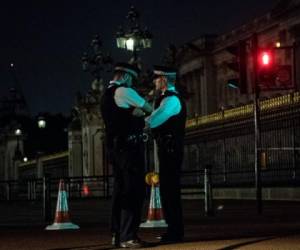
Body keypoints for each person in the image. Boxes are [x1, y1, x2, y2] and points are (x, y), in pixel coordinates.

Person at [100, 62, 152, 248]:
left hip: (115, 148)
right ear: (126, 76)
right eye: (132, 79)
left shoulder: (106, 95)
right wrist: (138, 113)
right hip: (129, 148)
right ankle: (128, 236)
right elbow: (148, 108)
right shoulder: (123, 91)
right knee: (133, 190)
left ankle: (117, 233)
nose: (132, 83)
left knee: (119, 191)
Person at [145, 65, 187, 243]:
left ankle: (175, 232)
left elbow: (155, 119)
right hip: (167, 148)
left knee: (170, 191)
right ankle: (174, 230)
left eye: (156, 78)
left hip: (170, 149)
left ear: (163, 80)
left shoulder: (171, 100)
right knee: (168, 191)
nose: (154, 82)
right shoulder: (165, 98)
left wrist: (140, 122)